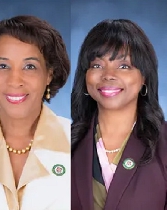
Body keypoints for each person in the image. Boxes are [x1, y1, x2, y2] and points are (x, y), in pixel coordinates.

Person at [0, 15, 71, 210]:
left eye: (29, 66)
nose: (15, 80)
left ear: (49, 74)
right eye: (3, 66)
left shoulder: (81, 142)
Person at [71, 19, 167, 210]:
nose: (108, 75)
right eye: (97, 65)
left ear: (144, 78)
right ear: (85, 76)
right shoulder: (63, 142)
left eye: (124, 66)